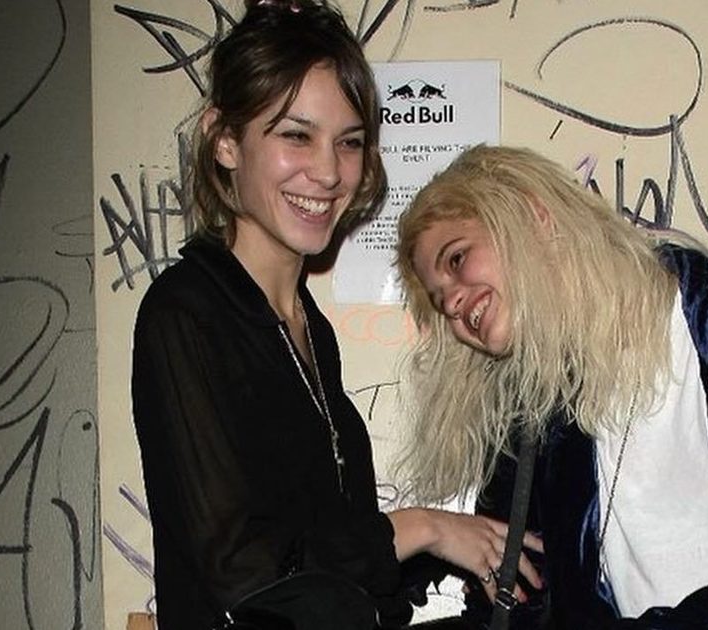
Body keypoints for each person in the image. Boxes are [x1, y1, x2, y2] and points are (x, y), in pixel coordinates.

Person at [130, 4, 540, 629]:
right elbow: (249, 574)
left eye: (348, 142)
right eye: (297, 135)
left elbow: (335, 560)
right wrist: (423, 528)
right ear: (225, 139)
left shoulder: (309, 327)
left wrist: (463, 550)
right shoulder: (186, 312)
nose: (328, 172)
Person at [394, 145, 708, 629]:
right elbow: (520, 602)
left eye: (457, 259)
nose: (453, 303)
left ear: (533, 216)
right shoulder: (528, 419)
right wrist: (415, 536)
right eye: (439, 301)